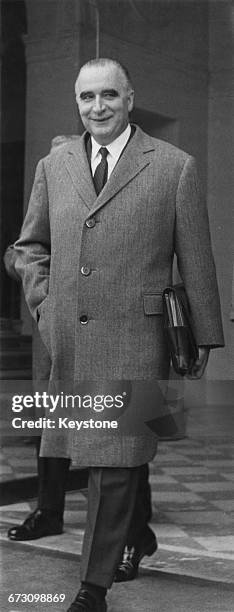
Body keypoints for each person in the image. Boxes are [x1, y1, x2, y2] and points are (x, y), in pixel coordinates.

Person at [14, 58, 224, 612]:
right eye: (86, 98)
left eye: (109, 95)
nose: (97, 107)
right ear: (76, 103)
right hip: (68, 340)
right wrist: (45, 300)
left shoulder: (174, 166)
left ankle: (93, 588)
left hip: (136, 338)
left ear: (130, 99)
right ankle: (136, 538)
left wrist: (202, 335)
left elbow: (196, 257)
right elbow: (28, 247)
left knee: (116, 463)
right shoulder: (54, 166)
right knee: (81, 455)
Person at [5, 246, 156, 581]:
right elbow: (21, 251)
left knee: (122, 428)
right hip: (60, 328)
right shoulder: (58, 193)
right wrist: (46, 298)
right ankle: (48, 511)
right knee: (54, 418)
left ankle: (135, 535)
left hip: (114, 326)